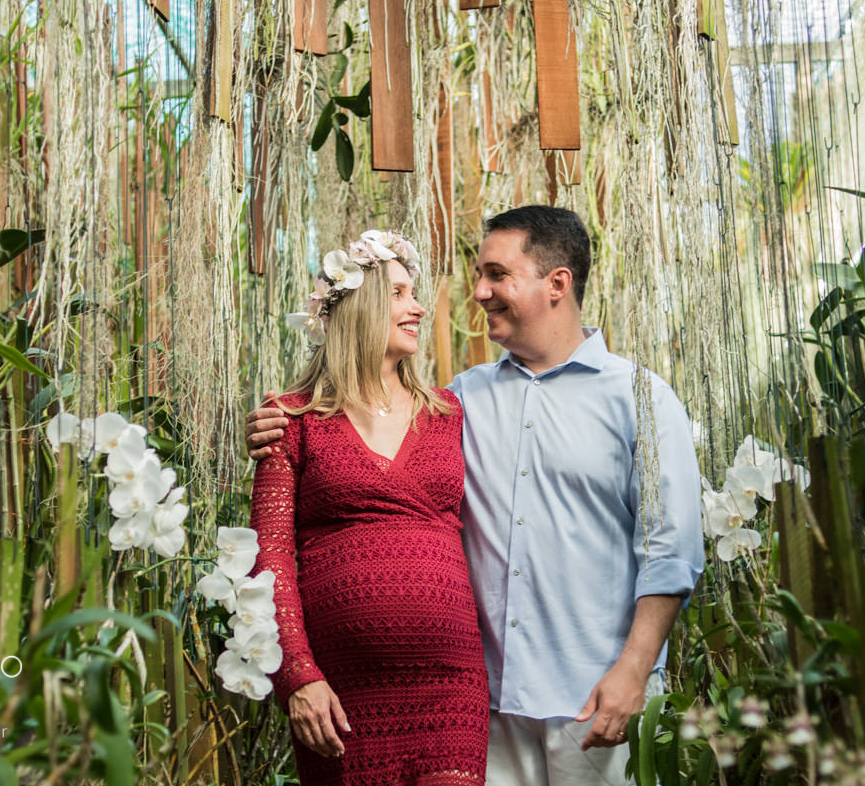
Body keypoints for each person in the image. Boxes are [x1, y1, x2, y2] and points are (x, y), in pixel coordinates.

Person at [247, 207, 704, 786]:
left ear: (556, 283)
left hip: (593, 696)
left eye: (495, 274)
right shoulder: (462, 399)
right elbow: (351, 442)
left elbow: (671, 551)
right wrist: (271, 427)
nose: (479, 291)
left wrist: (634, 672)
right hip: (491, 704)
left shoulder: (641, 398)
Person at [249, 230, 489, 786]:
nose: (418, 306)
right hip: (340, 691)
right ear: (361, 305)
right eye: (401, 293)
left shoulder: (449, 411)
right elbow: (270, 558)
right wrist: (298, 677)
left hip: (449, 683)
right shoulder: (291, 418)